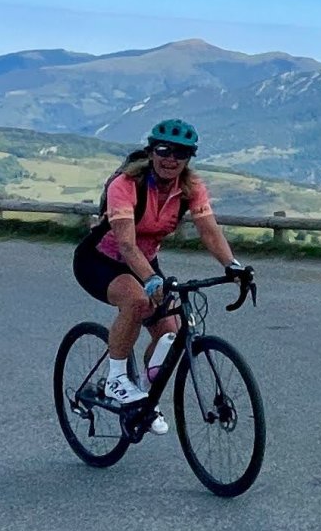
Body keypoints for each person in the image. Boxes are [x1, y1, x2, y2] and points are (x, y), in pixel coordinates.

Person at [72, 117, 245, 435]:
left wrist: (232, 265)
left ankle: (144, 400)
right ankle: (116, 379)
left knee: (169, 337)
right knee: (137, 301)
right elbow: (126, 244)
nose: (171, 159)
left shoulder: (191, 188)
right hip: (100, 261)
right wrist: (151, 280)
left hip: (146, 263)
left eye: (181, 153)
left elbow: (209, 231)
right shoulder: (126, 185)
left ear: (189, 158)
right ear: (151, 152)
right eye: (164, 150)